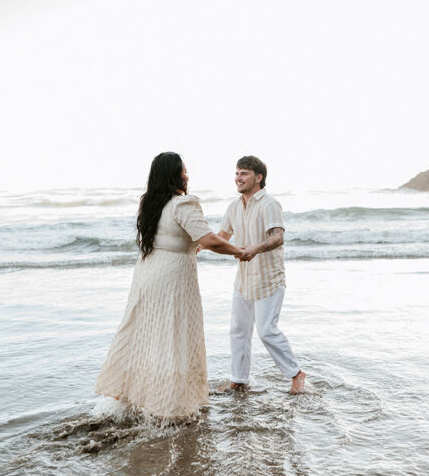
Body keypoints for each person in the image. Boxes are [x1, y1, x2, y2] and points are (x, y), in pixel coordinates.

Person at [95, 152, 245, 420]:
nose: (188, 175)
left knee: (146, 334)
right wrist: (239, 251)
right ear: (175, 174)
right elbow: (209, 240)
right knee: (174, 335)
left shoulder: (151, 204)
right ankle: (171, 408)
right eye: (185, 170)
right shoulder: (183, 204)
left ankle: (136, 398)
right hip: (173, 277)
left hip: (148, 273)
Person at [219, 155, 306, 394]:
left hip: (269, 279)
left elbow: (278, 237)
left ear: (259, 177)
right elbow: (222, 236)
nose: (238, 177)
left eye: (244, 173)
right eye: (237, 172)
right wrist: (198, 246)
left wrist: (256, 248)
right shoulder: (234, 206)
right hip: (244, 279)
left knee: (267, 330)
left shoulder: (269, 204)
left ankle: (296, 374)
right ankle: (238, 379)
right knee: (238, 329)